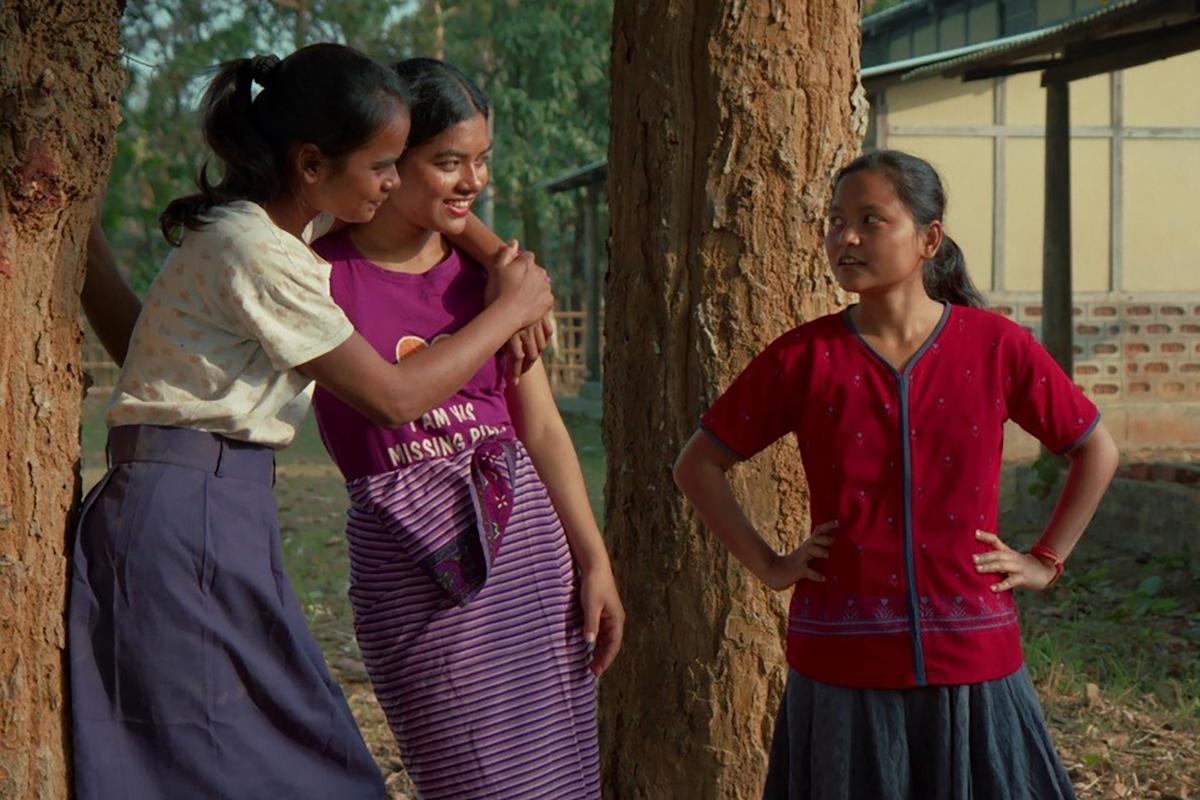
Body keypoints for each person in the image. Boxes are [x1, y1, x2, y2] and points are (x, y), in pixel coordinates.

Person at [73, 43, 552, 800]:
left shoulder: (256, 236)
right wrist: (512, 310)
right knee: (266, 755)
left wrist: (496, 255)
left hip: (208, 506)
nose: (393, 184)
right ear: (309, 165)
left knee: (250, 743)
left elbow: (143, 349)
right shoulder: (261, 254)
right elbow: (392, 397)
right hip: (190, 514)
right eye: (381, 166)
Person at [673, 149, 1119, 800]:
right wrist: (770, 565)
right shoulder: (803, 358)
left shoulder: (996, 347)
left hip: (974, 661)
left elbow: (1095, 448)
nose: (845, 238)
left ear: (928, 240)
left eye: (870, 220)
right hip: (841, 669)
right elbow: (698, 465)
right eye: (834, 221)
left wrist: (1046, 560)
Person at [308, 57, 622, 800]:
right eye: (447, 161)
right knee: (466, 777)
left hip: (528, 554)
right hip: (406, 562)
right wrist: (503, 291)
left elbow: (541, 428)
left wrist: (594, 560)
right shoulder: (315, 276)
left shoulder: (492, 281)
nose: (471, 180)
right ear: (389, 161)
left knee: (562, 778)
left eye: (481, 161)